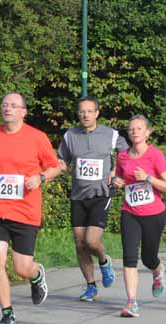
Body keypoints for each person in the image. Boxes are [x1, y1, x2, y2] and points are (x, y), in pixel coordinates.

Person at [0, 93, 61, 324]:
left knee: (21, 267)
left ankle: (36, 274)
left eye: (13, 106)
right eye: (4, 105)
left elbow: (55, 167)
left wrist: (40, 178)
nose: (7, 109)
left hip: (26, 211)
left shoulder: (37, 137)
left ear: (23, 112)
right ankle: (7, 313)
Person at [58, 96, 129, 302]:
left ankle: (104, 261)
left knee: (91, 240)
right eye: (82, 111)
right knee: (80, 244)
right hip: (78, 195)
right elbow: (62, 159)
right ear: (78, 114)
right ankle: (90, 286)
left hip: (101, 193)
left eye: (90, 111)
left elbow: (126, 153)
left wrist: (116, 169)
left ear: (97, 113)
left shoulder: (110, 134)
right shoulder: (70, 135)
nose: (85, 115)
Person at [112, 115, 166, 317]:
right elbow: (118, 176)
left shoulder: (155, 155)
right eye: (131, 129)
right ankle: (131, 302)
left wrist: (148, 178)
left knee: (148, 258)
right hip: (130, 212)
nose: (135, 132)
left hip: (154, 214)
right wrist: (116, 181)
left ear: (147, 132)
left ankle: (157, 270)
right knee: (129, 257)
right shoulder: (122, 156)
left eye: (139, 128)